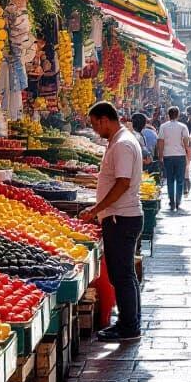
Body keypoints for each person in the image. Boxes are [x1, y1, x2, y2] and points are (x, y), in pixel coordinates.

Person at [81, 102, 143, 343]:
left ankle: (129, 327)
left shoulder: (122, 144)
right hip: (121, 216)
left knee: (122, 275)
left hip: (121, 218)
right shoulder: (119, 141)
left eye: (95, 124)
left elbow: (123, 182)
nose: (95, 130)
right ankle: (130, 322)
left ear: (105, 120)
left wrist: (97, 209)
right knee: (124, 274)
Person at [156, 106, 190, 212]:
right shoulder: (183, 126)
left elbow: (160, 142)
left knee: (170, 180)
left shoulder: (163, 127)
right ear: (178, 115)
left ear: (168, 115)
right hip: (180, 155)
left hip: (167, 155)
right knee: (180, 180)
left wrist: (160, 156)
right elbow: (186, 143)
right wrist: (188, 155)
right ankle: (178, 201)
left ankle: (171, 201)